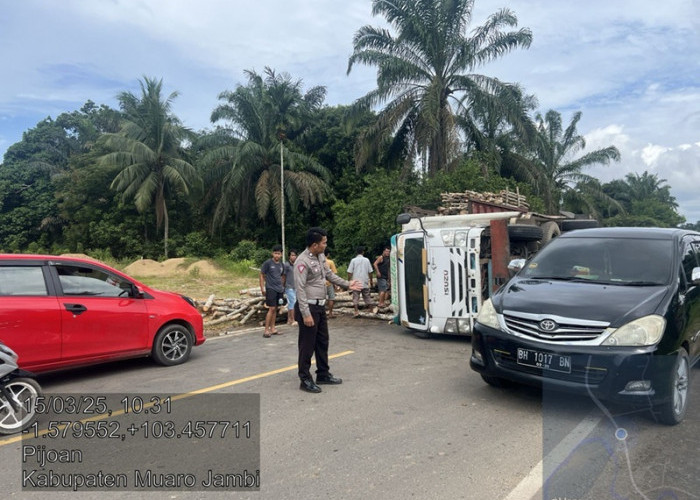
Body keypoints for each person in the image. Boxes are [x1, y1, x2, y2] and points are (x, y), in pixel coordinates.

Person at [294, 227, 362, 393]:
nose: (326, 245)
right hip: (308, 308)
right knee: (307, 346)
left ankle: (323, 374)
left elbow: (329, 275)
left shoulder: (321, 256)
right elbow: (300, 289)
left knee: (323, 342)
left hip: (320, 306)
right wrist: (305, 314)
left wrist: (348, 284)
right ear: (315, 244)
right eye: (324, 242)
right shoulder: (302, 262)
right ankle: (304, 379)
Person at [260, 244, 285, 338]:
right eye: (275, 253)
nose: (277, 255)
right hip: (271, 289)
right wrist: (262, 288)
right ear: (272, 253)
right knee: (271, 309)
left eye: (278, 253)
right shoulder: (268, 263)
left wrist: (282, 287)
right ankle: (266, 330)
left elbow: (282, 276)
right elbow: (262, 275)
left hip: (279, 289)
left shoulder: (282, 265)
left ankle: (273, 328)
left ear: (281, 254)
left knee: (275, 309)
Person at [347, 246, 375, 317]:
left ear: (357, 252)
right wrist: (371, 280)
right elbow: (370, 272)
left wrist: (349, 280)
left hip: (356, 282)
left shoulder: (353, 260)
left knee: (356, 297)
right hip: (364, 280)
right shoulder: (367, 260)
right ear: (363, 252)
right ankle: (371, 309)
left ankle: (356, 311)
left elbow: (349, 272)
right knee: (367, 296)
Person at [284, 249, 298, 326]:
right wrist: (283, 286)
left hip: (296, 286)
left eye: (295, 255)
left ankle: (289, 319)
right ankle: (292, 319)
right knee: (292, 303)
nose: (294, 257)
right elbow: (283, 276)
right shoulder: (286, 265)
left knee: (292, 303)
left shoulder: (297, 265)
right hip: (289, 287)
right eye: (292, 255)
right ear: (289, 256)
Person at [324, 248, 338, 317]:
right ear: (328, 254)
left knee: (322, 299)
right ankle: (330, 313)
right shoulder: (330, 262)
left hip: (321, 283)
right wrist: (335, 284)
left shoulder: (318, 261)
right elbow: (333, 274)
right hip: (329, 283)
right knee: (331, 298)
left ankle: (322, 314)